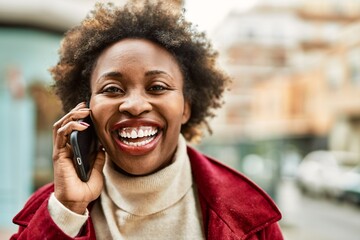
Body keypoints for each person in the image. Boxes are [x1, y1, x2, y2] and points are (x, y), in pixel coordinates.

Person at [11, 1, 283, 239]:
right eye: (112, 89)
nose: (134, 105)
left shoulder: (248, 214)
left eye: (157, 87)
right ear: (86, 108)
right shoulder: (54, 209)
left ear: (186, 107)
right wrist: (67, 212)